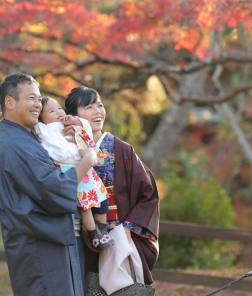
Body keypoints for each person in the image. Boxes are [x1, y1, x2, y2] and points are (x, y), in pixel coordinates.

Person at [0, 73, 98, 296]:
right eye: (31, 98)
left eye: (39, 98)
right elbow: (53, 186)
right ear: (9, 102)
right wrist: (87, 160)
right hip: (38, 246)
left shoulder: (24, 136)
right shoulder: (15, 142)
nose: (38, 104)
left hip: (46, 241)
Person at [64, 86, 159, 289]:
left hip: (117, 235)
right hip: (78, 237)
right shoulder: (64, 150)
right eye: (89, 107)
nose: (98, 111)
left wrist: (128, 228)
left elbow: (148, 192)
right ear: (73, 116)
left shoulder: (122, 150)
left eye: (99, 105)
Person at [35, 96, 114, 252]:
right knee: (85, 205)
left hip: (88, 170)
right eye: (52, 111)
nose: (58, 112)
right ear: (41, 120)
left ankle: (102, 230)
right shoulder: (45, 132)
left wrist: (76, 124)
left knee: (102, 198)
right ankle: (93, 233)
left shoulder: (70, 125)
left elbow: (85, 131)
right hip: (72, 171)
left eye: (59, 108)